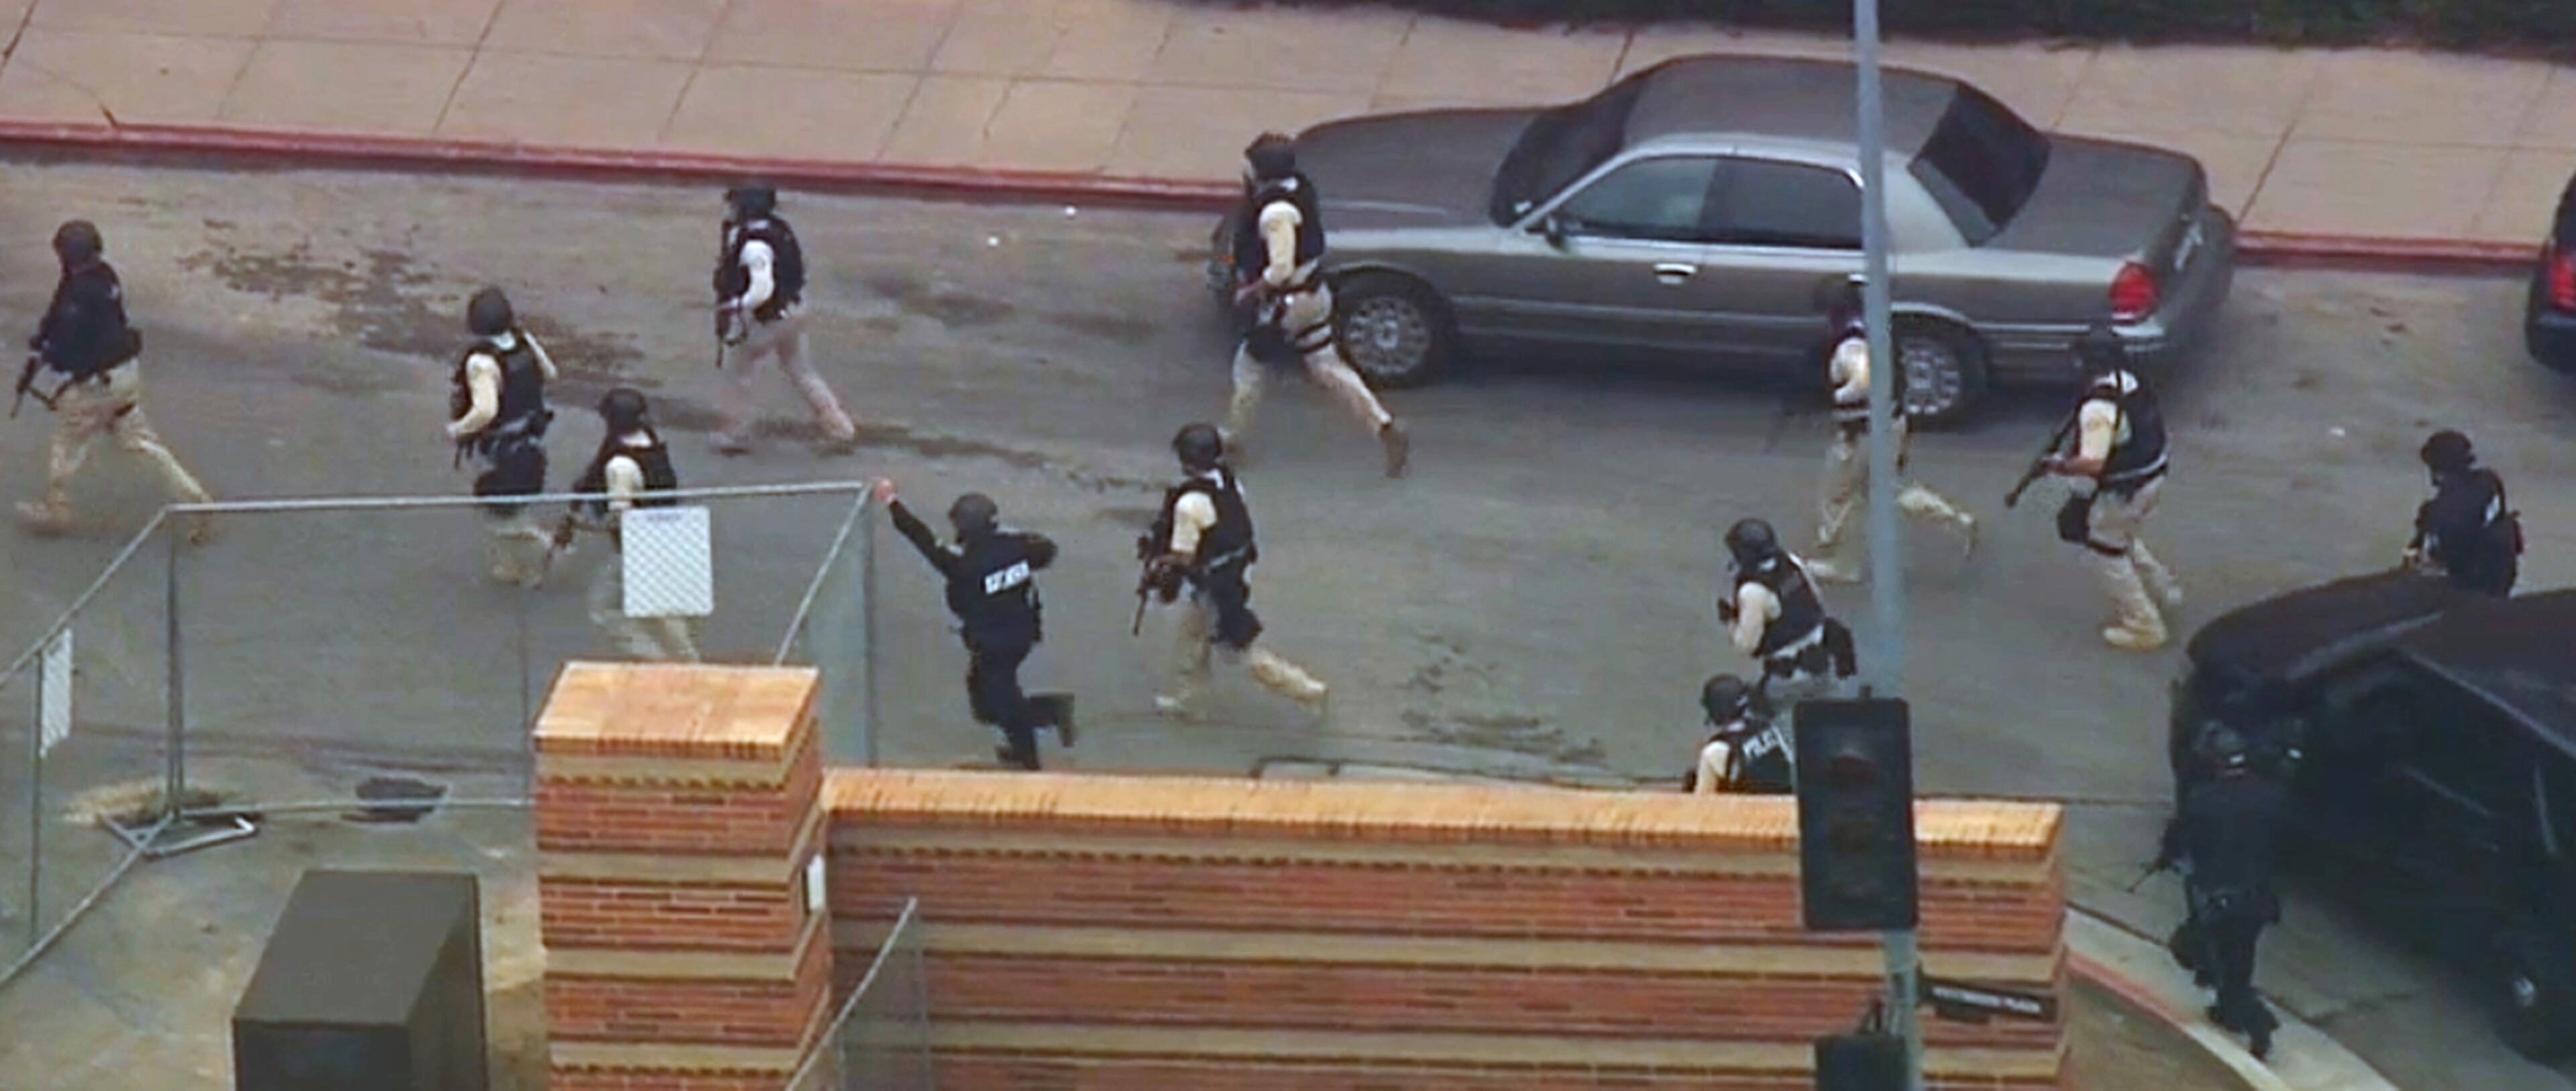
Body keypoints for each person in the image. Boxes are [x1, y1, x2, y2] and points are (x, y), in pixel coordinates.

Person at [15, 219, 216, 544]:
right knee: (141, 443)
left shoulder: (81, 294)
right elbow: (60, 307)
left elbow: (68, 346)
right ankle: (197, 501)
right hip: (124, 376)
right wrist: (45, 336)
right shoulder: (103, 275)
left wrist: (46, 355)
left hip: (97, 385)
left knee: (68, 439)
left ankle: (57, 509)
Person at [1222, 133, 1409, 478]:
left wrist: (1250, 291)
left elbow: (1280, 268)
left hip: (1283, 304)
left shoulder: (1275, 213)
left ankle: (1231, 441)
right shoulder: (1299, 188)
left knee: (1249, 369)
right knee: (1326, 364)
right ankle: (1382, 424)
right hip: (1313, 296)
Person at [874, 478, 1075, 771]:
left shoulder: (964, 565)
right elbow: (1046, 550)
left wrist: (893, 503)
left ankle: (1035, 749)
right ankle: (1034, 730)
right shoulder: (1017, 547)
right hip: (1018, 636)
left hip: (997, 644)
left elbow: (923, 540)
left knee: (1002, 702)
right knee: (986, 703)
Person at [1140, 422, 1330, 717]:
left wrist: (1160, 562)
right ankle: (1191, 700)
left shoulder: (1189, 504)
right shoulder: (1228, 483)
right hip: (1232, 574)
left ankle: (1305, 689)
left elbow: (1184, 556)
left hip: (1214, 585)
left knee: (1239, 650)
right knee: (1193, 637)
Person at [1805, 276, 1976, 582]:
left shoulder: (1850, 346)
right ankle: (1955, 521)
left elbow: (1863, 380)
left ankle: (1843, 563)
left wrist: (1837, 396)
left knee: (1838, 496)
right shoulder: (1877, 329)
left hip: (1861, 433)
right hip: (1891, 423)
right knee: (1886, 488)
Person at [2043, 325, 2183, 651]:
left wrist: (2061, 466)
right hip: (2150, 476)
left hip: (2124, 490)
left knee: (2105, 551)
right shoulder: (2130, 381)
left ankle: (2143, 624)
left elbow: (2093, 463)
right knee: (2122, 537)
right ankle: (2163, 589)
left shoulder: (2098, 408)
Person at [2159, 726, 2292, 1059]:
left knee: (2199, 952)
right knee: (2240, 959)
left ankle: (2257, 1021)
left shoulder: (2205, 799)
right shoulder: (2272, 796)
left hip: (2220, 898)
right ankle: (2228, 1011)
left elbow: (2179, 839)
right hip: (2259, 899)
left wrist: (2170, 855)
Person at [712, 182, 857, 455]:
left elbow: (761, 289)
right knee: (801, 370)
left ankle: (735, 432)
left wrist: (735, 306)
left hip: (770, 317)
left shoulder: (754, 245)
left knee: (737, 370)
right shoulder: (778, 229)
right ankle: (839, 427)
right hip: (794, 309)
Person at [561, 388, 700, 662]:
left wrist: (584, 524)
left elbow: (621, 517)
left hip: (638, 549)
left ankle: (658, 663)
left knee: (605, 608)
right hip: (670, 536)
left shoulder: (620, 466)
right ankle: (689, 664)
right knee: (665, 611)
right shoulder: (651, 441)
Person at [447, 286, 559, 585]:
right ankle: (515, 567)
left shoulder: (481, 362)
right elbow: (550, 372)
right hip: (530, 439)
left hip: (500, 448)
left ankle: (543, 546)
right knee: (510, 505)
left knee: (497, 511)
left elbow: (485, 411)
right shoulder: (524, 341)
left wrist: (457, 429)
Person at [1717, 518, 1857, 708]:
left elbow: (1746, 645)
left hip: (1788, 678)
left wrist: (1731, 619)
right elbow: (1815, 598)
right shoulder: (1791, 562)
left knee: (1762, 716)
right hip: (1823, 664)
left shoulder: (1754, 591)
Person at [2405, 428, 2520, 597]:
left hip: (2471, 583)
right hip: (2499, 576)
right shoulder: (2489, 482)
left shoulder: (2440, 509)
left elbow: (2451, 544)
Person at [1682, 674, 1795, 795]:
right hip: (1790, 805)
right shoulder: (1769, 729)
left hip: (1748, 810)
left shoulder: (1715, 751)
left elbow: (1702, 803)